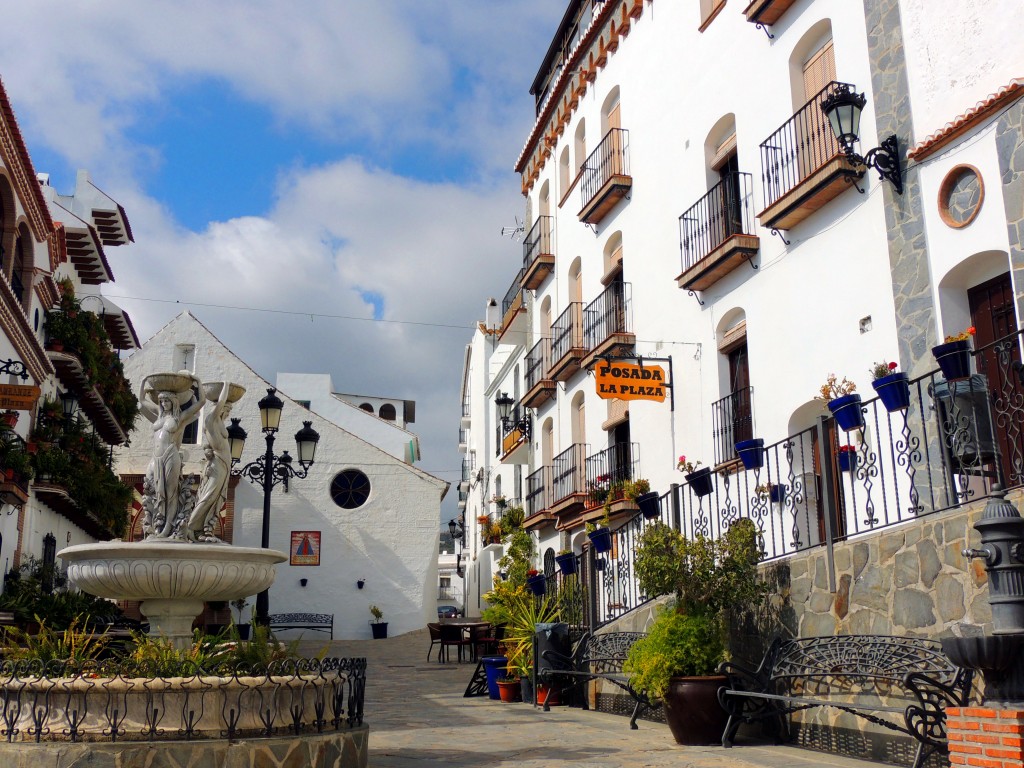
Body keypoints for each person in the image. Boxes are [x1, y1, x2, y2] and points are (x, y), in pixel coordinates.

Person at [139, 374, 205, 538]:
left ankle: (168, 528)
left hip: (170, 454)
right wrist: (143, 382)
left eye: (167, 401)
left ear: (174, 402)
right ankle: (157, 525)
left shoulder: (179, 417)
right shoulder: (159, 414)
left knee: (171, 493)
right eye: (162, 401)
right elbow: (141, 400)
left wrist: (198, 382)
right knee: (155, 491)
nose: (163, 404)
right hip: (156, 457)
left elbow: (201, 403)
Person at [188, 383, 234, 541]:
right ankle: (190, 526)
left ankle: (202, 529)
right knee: (209, 495)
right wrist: (226, 385)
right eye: (226, 410)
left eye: (229, 411)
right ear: (220, 409)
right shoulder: (210, 420)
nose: (227, 413)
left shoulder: (219, 422)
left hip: (224, 464)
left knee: (216, 498)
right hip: (217, 463)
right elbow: (220, 402)